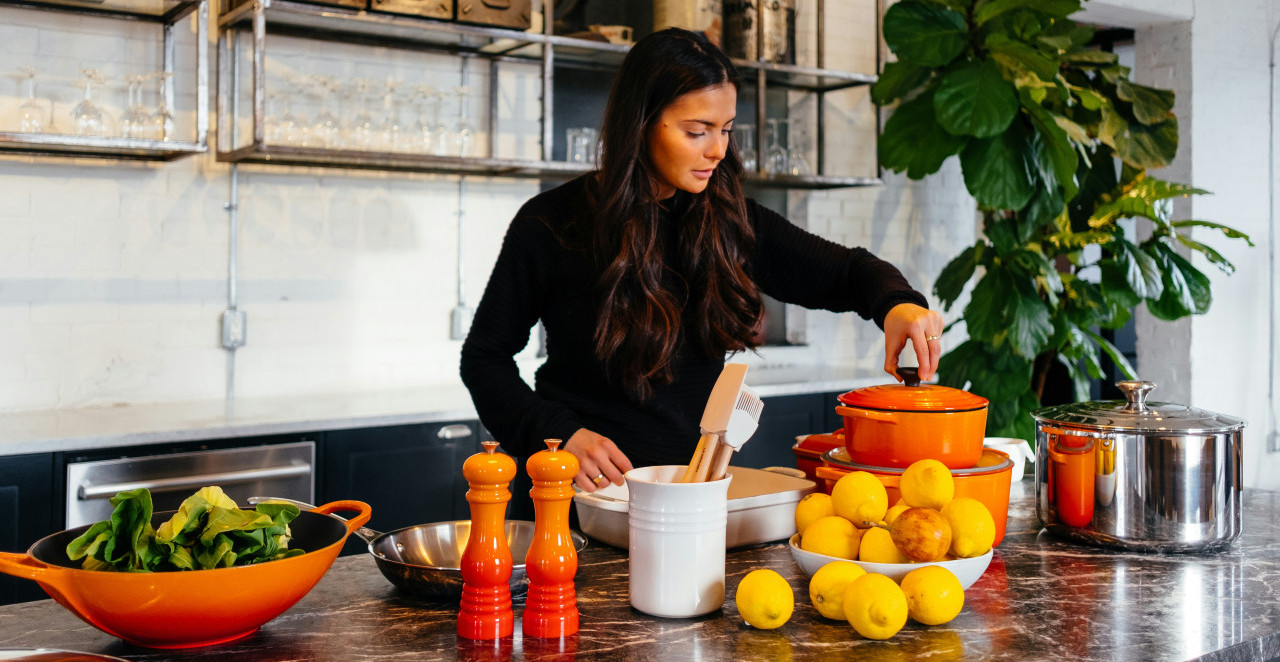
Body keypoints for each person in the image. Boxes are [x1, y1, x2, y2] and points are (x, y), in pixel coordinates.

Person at [460, 28, 943, 517]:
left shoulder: (730, 220)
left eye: (726, 129)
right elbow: (484, 359)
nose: (717, 150)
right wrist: (560, 436)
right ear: (642, 123)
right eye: (697, 131)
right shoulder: (551, 224)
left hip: (689, 506)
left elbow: (847, 272)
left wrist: (897, 304)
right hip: (574, 507)